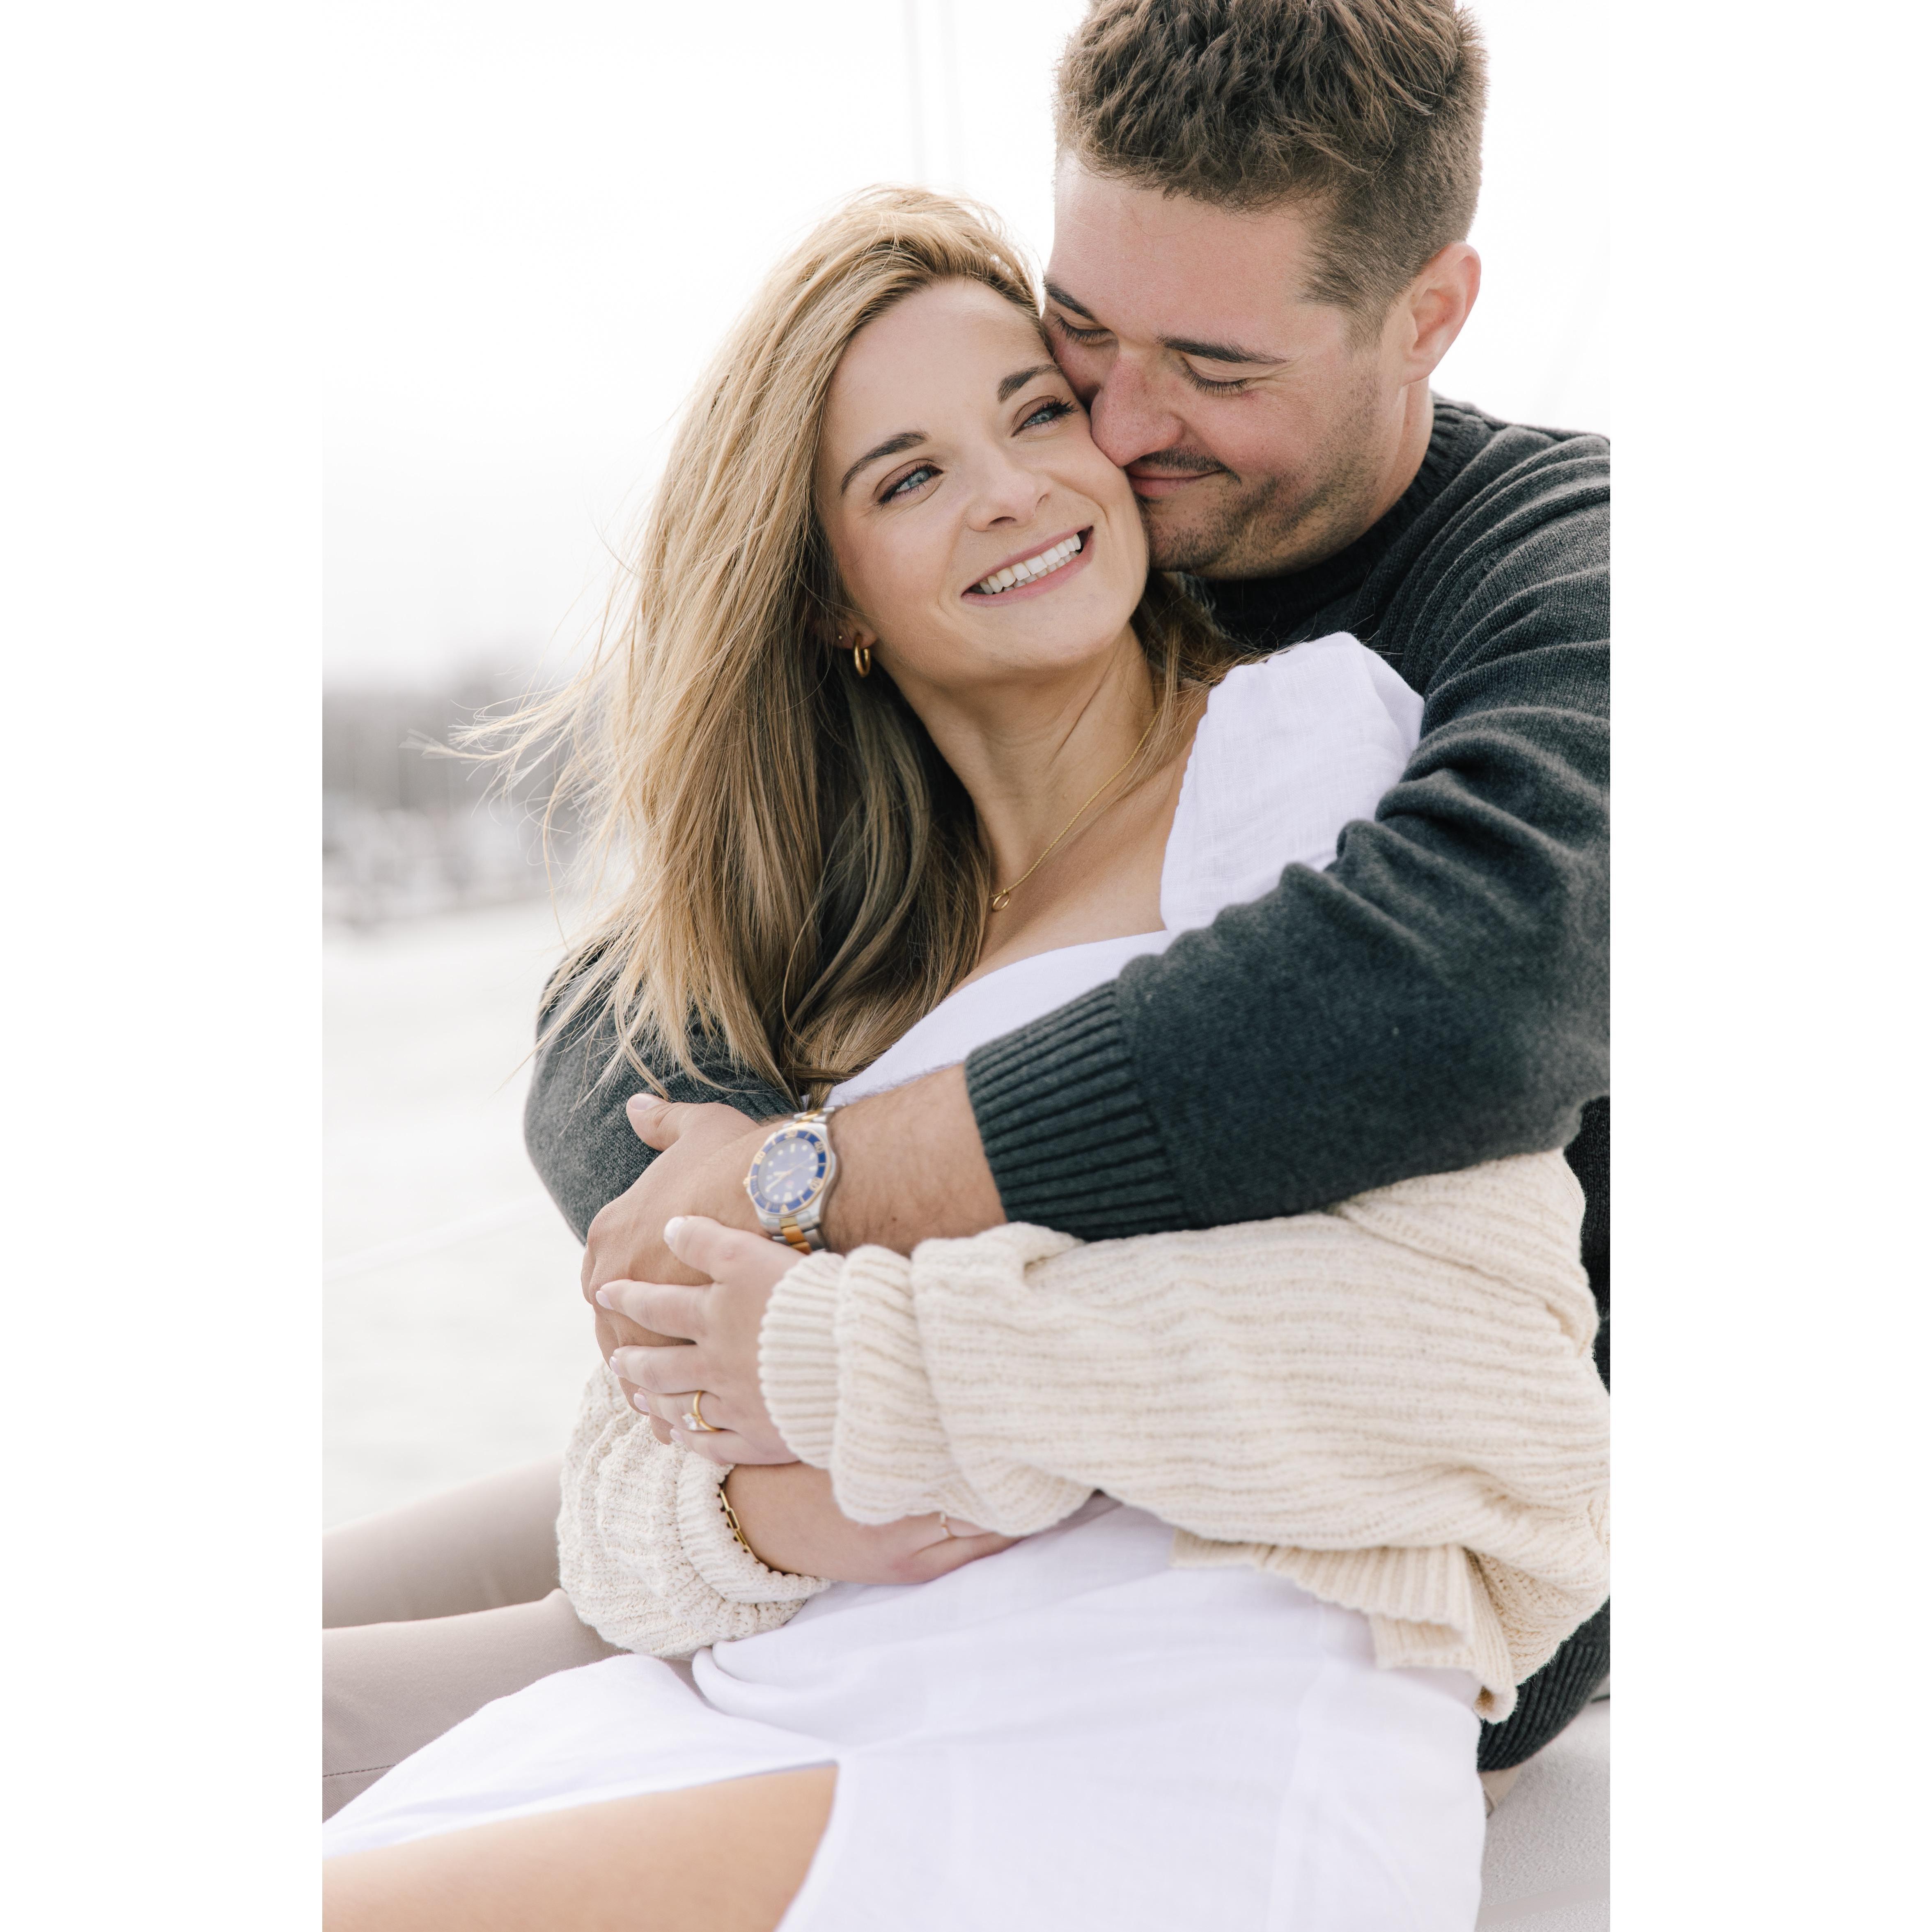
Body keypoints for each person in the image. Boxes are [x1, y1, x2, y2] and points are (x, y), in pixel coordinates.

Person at [325, 0, 1608, 1854]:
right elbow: (619, 1016)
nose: (1121, 428)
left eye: (1215, 364)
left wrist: (814, 1197)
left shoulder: (1532, 576)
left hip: (1345, 1536)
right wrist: (754, 1317)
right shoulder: (1045, 632)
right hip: (945, 1473)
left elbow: (1486, 973)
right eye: (1084, 335)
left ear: (1428, 311)